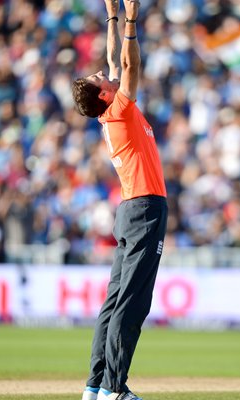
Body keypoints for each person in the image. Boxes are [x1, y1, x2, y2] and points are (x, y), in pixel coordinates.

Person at [72, 1, 168, 399]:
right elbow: (128, 66)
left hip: (131, 210)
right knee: (132, 304)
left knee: (114, 302)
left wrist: (111, 13)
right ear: (105, 94)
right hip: (145, 208)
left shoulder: (110, 113)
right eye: (100, 78)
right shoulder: (121, 111)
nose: (103, 71)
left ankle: (95, 387)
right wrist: (131, 19)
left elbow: (114, 61)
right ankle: (115, 389)